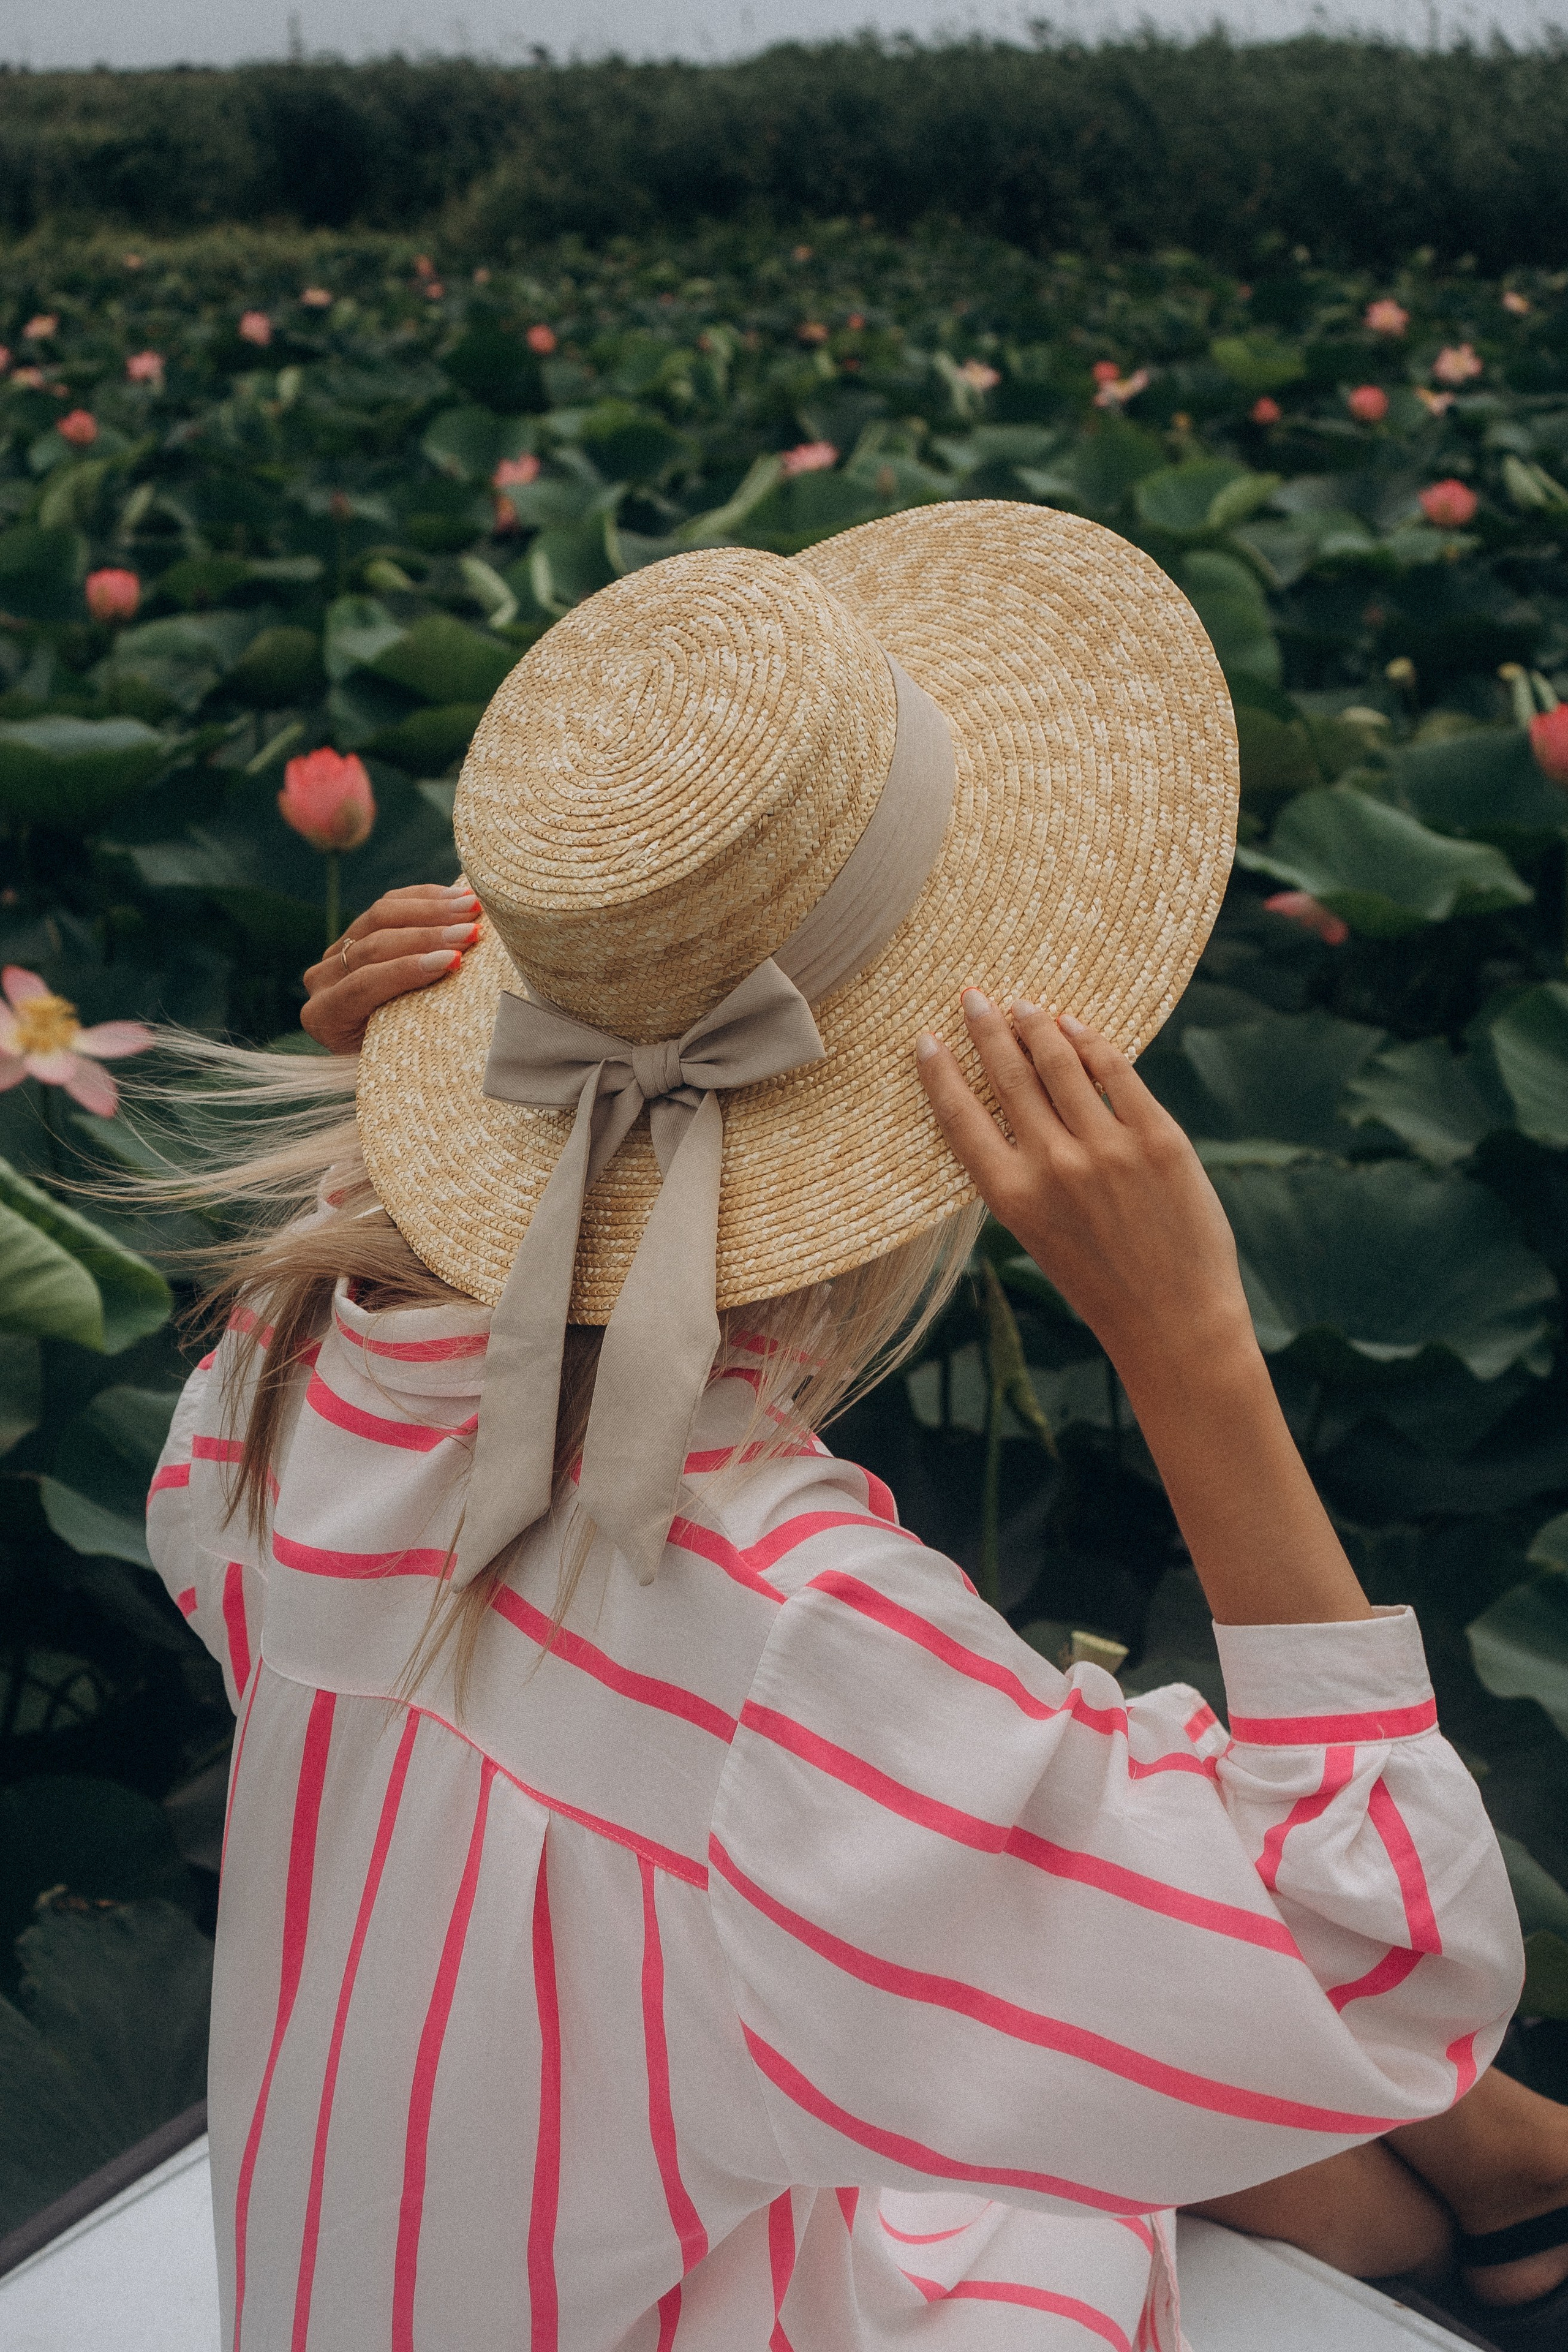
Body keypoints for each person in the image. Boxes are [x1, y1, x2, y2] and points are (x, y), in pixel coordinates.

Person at [144, 510, 1528, 2352]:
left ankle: (1508, 2179)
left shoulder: (266, 1377)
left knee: (1038, 1958)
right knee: (1113, 2154)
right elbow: (1380, 1976)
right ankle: (1502, 2198)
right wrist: (1192, 1348)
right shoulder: (788, 1624)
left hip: (370, 2278)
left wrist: (382, 1109)